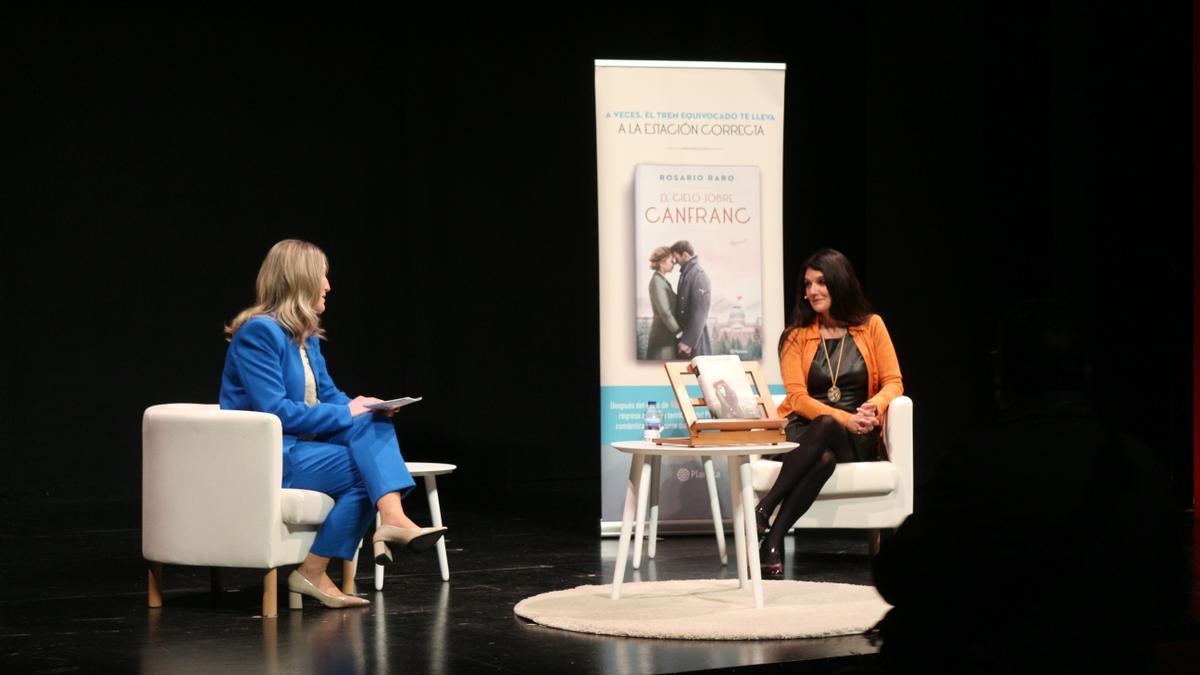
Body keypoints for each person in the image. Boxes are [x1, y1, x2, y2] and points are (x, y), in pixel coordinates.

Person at [871, 299, 1180, 673]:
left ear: (1002, 377)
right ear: (1086, 371)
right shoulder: (1140, 464)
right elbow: (1170, 597)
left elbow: (900, 574)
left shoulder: (978, 461)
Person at [220, 239, 447, 609]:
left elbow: (329, 394)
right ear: (301, 280)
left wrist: (366, 406)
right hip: (270, 456)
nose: (328, 285)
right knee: (369, 474)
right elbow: (274, 410)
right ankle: (338, 555)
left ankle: (383, 522)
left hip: (304, 447)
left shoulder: (305, 337)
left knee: (374, 424)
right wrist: (348, 412)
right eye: (322, 276)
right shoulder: (258, 334)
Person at [755, 248, 903, 577]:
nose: (813, 291)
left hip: (857, 436)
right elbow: (798, 398)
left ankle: (764, 509)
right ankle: (773, 542)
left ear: (839, 282)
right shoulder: (796, 337)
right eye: (807, 284)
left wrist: (871, 408)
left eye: (821, 282)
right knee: (823, 454)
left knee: (828, 429)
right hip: (806, 432)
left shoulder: (871, 326)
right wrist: (843, 418)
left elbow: (894, 382)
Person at [670, 240, 712, 357]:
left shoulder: (698, 275)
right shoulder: (688, 273)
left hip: (694, 342)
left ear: (685, 255)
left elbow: (700, 312)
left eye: (675, 258)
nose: (675, 262)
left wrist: (687, 342)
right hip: (687, 339)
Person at [645, 246, 682, 360]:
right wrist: (679, 332)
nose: (673, 264)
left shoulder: (661, 280)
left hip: (666, 334)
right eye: (671, 261)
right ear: (662, 262)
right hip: (662, 337)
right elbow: (665, 312)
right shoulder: (657, 282)